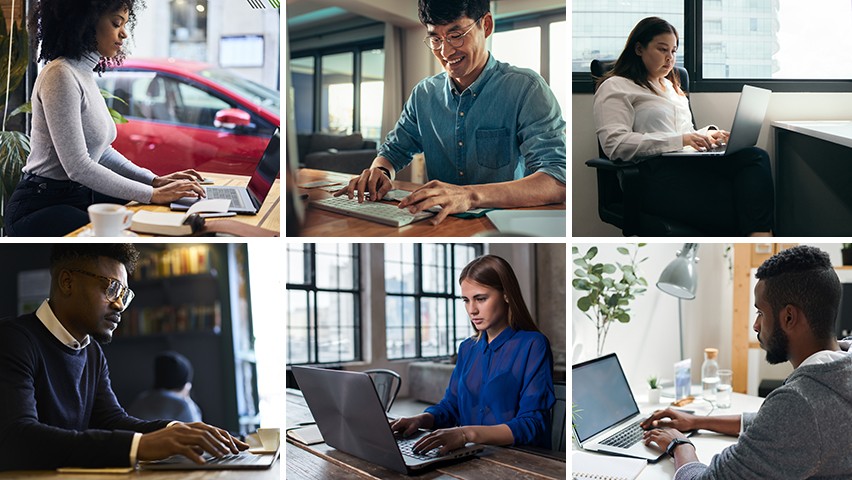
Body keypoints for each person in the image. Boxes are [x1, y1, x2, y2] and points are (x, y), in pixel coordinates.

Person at [0, 244, 248, 470]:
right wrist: (138, 446)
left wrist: (177, 430)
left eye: (124, 294)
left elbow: (112, 420)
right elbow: (19, 438)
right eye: (111, 288)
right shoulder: (12, 339)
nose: (120, 305)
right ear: (67, 282)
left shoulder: (92, 352)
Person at [334, 0, 566, 225]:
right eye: (435, 38)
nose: (445, 51)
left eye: (456, 35)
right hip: (437, 223)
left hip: (504, 226)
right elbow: (394, 150)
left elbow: (557, 179)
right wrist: (380, 171)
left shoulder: (526, 88)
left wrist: (469, 195)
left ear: (486, 25)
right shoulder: (423, 94)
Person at [640, 245, 852, 479]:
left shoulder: (800, 404)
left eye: (760, 312)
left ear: (789, 317)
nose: (756, 325)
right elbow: (776, 426)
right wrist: (697, 420)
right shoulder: (842, 368)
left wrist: (679, 445)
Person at [4, 0, 205, 236]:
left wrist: (154, 181)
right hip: (40, 205)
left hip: (74, 195)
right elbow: (78, 167)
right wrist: (152, 194)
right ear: (86, 22)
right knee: (122, 230)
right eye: (116, 23)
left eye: (125, 24)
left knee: (153, 215)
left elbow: (103, 152)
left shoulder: (82, 72)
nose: (124, 33)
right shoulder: (60, 75)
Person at [593, 17, 774, 236]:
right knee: (734, 197)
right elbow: (616, 145)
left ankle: (760, 236)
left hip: (687, 165)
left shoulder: (672, 87)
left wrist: (707, 135)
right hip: (650, 174)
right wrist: (680, 140)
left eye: (674, 51)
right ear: (639, 48)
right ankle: (757, 239)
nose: (670, 58)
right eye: (662, 50)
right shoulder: (617, 86)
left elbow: (683, 133)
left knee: (754, 156)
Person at [390, 255, 555, 453]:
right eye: (466, 301)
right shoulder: (467, 348)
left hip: (519, 458)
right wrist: (420, 419)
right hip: (469, 456)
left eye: (481, 299)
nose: (472, 310)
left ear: (507, 295)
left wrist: (466, 434)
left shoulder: (533, 344)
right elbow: (450, 406)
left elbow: (533, 423)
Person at [127, 351, 203, 423]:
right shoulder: (182, 406)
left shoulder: (141, 399)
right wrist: (187, 399)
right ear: (185, 385)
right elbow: (201, 433)